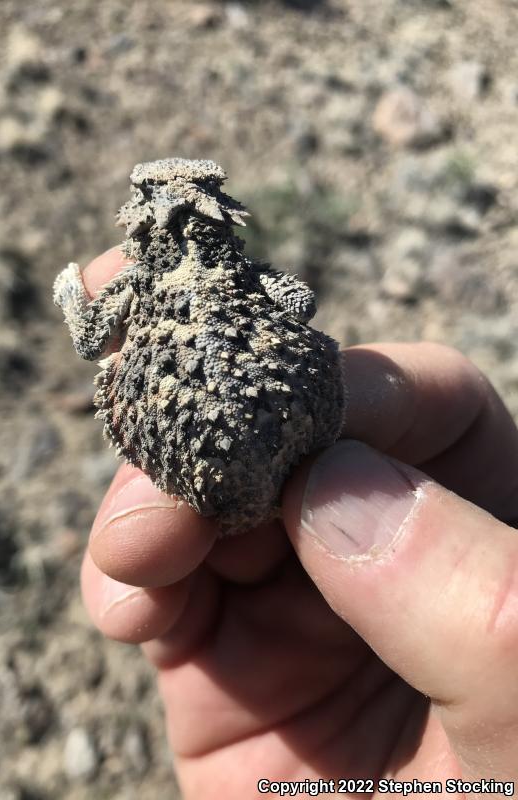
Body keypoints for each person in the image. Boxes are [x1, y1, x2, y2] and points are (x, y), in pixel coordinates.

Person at [78, 248, 518, 797]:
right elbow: (301, 301)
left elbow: (89, 338)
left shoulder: (143, 279)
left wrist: (71, 291)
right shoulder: (234, 265)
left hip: (220, 446)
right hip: (281, 417)